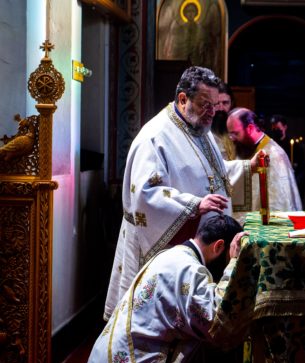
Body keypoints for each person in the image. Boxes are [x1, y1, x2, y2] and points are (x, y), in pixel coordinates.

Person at [104, 66, 263, 321]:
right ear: (182, 99)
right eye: (205, 104)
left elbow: (213, 173)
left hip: (195, 242)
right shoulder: (155, 136)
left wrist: (247, 166)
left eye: (214, 105)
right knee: (153, 318)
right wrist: (195, 205)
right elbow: (145, 193)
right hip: (160, 243)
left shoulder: (198, 129)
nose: (212, 112)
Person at [86, 214, 246, 363]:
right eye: (227, 257)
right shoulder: (190, 269)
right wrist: (234, 264)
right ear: (218, 246)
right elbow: (216, 321)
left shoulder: (171, 254)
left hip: (104, 360)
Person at [227, 107, 302, 213]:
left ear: (250, 128)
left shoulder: (274, 155)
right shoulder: (242, 148)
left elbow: (279, 203)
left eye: (235, 133)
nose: (231, 138)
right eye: (230, 134)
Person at [211, 81, 236, 160]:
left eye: (225, 103)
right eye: (216, 103)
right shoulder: (203, 134)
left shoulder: (239, 133)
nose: (221, 108)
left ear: (231, 104)